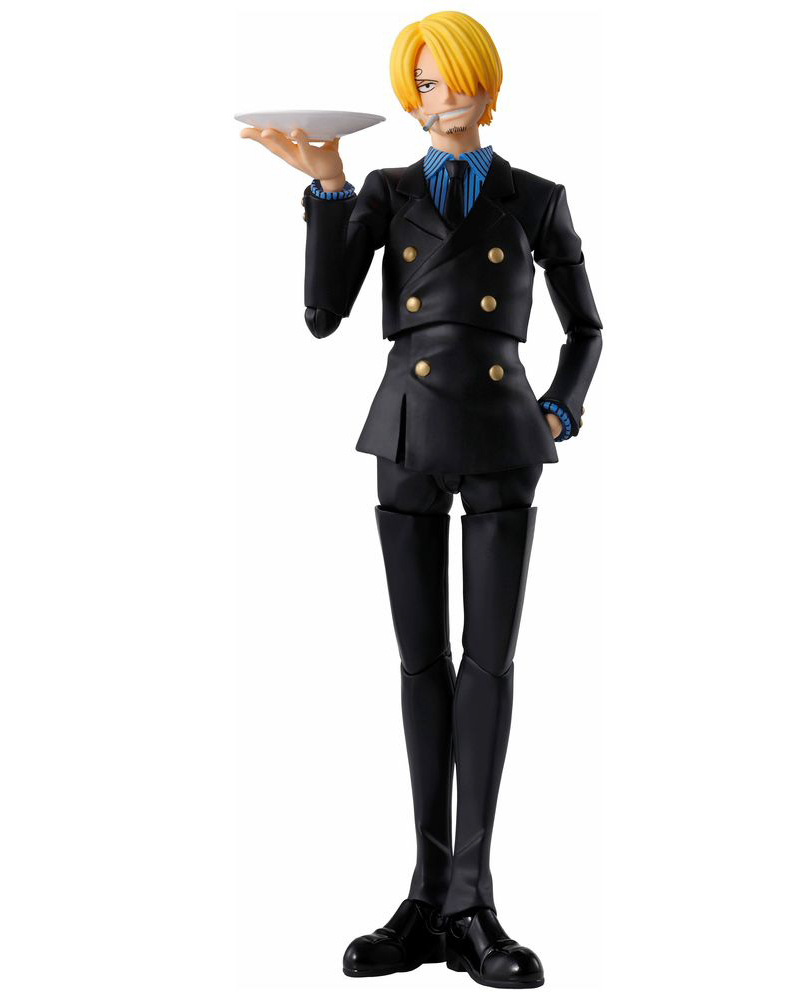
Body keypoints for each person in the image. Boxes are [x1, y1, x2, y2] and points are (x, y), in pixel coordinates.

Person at [241, 10, 602, 990]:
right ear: (410, 97)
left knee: (488, 662)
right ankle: (427, 893)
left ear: (489, 84)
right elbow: (323, 314)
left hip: (503, 431)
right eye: (427, 83)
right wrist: (328, 186)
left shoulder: (535, 197)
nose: (444, 97)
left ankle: (472, 902)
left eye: (458, 78)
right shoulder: (389, 191)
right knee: (418, 662)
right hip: (404, 426)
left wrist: (561, 410)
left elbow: (587, 329)